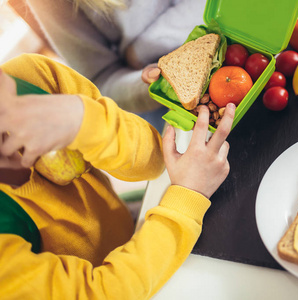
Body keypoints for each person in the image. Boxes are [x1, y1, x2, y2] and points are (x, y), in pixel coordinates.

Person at [0, 53, 236, 299]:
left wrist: (82, 120)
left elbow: (153, 161)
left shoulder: (29, 77)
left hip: (134, 234)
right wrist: (187, 198)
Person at [24, 0, 207, 132]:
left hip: (221, 32)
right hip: (149, 93)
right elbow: (102, 78)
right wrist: (148, 84)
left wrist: (138, 51)